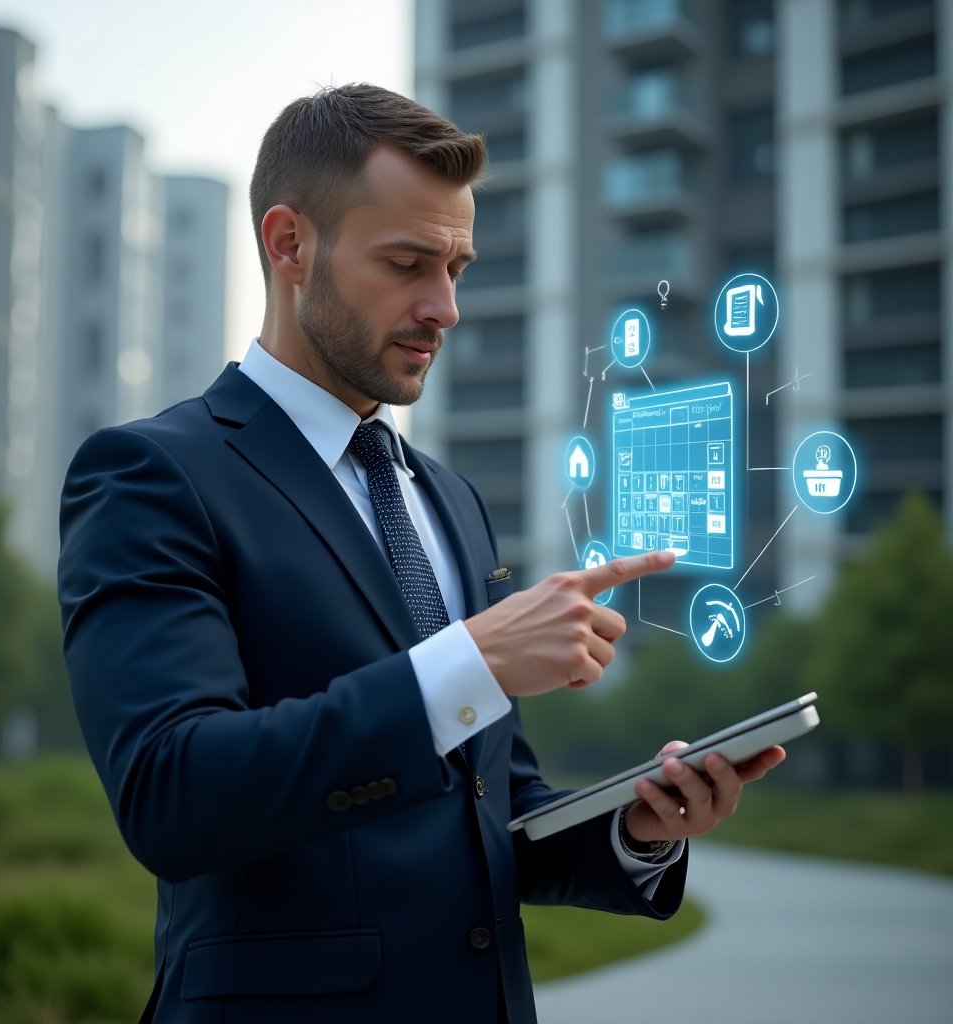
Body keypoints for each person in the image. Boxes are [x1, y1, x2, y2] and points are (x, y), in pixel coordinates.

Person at [58, 84, 784, 1024]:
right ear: (289, 244)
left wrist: (637, 827)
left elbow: (486, 807)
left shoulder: (450, 499)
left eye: (457, 268)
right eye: (407, 263)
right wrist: (472, 660)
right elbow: (173, 795)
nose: (444, 307)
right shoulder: (152, 474)